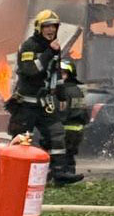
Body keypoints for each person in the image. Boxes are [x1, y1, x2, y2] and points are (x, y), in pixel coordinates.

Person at [8, 10, 82, 184]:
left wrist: (61, 96)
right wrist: (49, 51)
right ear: (39, 28)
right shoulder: (29, 46)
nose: (51, 30)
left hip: (44, 104)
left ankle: (59, 173)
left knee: (57, 133)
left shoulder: (54, 47)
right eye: (47, 26)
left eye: (53, 26)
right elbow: (31, 71)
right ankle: (14, 175)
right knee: (21, 139)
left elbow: (56, 73)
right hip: (26, 105)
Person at [55, 59, 88, 177]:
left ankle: (65, 176)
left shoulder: (64, 90)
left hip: (66, 130)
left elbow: (63, 112)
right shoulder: (76, 89)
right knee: (68, 156)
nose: (60, 76)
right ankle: (69, 175)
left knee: (62, 156)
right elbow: (82, 112)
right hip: (75, 130)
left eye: (62, 73)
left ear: (69, 74)